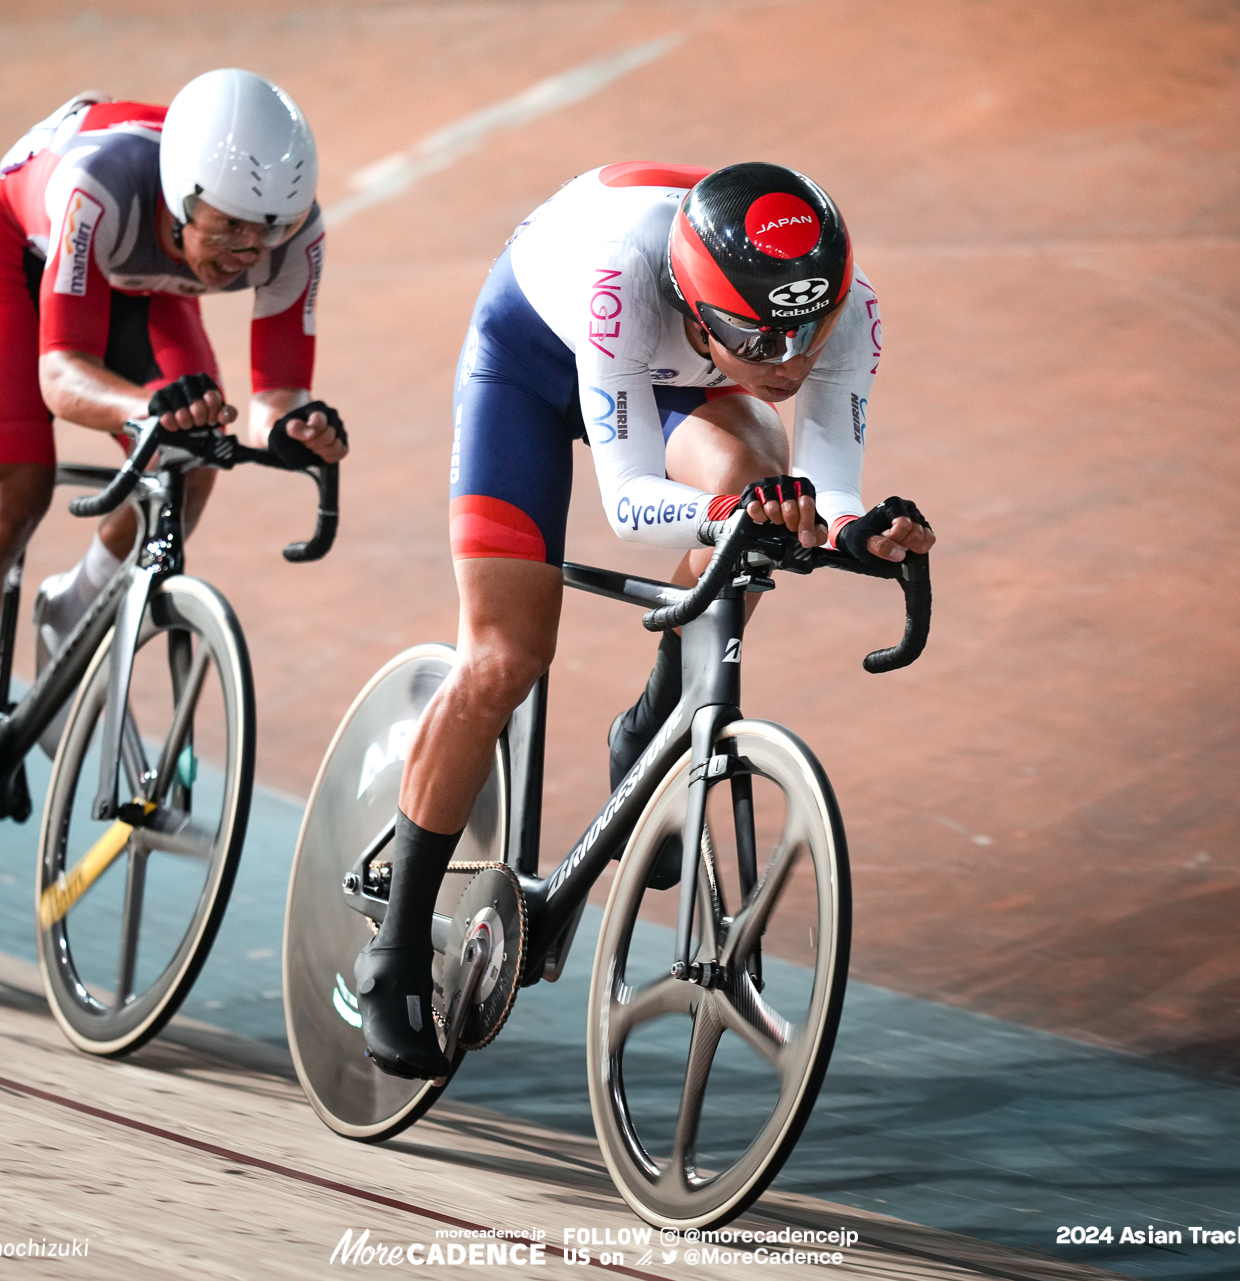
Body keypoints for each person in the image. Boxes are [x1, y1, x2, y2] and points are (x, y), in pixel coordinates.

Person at [356, 161, 933, 1078]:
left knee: (764, 492)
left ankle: (655, 721)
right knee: (506, 657)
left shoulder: (840, 304)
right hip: (531, 361)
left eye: (805, 339)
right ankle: (391, 950)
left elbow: (827, 493)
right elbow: (629, 502)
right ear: (702, 315)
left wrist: (861, 533)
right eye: (763, 343)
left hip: (671, 376)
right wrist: (740, 515)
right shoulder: (625, 275)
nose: (788, 364)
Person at [0, 69, 348, 873]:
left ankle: (76, 604)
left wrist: (297, 424)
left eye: (267, 235)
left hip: (143, 279)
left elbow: (274, 393)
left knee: (200, 449)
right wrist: (143, 410)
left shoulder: (289, 232)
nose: (247, 255)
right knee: (6, 503)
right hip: (19, 259)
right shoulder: (103, 185)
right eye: (229, 229)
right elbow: (62, 375)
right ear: (182, 195)